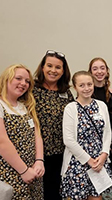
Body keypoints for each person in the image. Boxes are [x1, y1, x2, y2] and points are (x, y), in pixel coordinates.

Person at [61, 71, 112, 199]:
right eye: (82, 85)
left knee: (96, 197)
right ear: (75, 87)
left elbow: (107, 132)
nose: (86, 88)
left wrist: (104, 154)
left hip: (98, 161)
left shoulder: (101, 106)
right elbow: (68, 140)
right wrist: (89, 161)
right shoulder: (70, 108)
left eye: (89, 84)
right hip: (78, 162)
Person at [33, 50, 74, 199]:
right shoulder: (31, 89)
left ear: (63, 71)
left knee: (55, 192)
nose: (53, 70)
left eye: (58, 67)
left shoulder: (66, 93)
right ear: (43, 67)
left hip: (60, 153)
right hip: (36, 153)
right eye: (49, 66)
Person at [0, 64, 44, 199]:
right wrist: (24, 171)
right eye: (18, 78)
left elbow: (37, 136)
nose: (23, 83)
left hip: (33, 173)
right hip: (11, 173)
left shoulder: (25, 107)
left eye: (27, 81)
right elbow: (2, 142)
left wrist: (39, 161)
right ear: (6, 79)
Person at [88, 57, 112, 175]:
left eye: (102, 68)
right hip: (92, 138)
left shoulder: (111, 93)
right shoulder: (88, 92)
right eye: (95, 69)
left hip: (108, 137)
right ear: (90, 72)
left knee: (108, 173)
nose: (99, 72)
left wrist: (111, 141)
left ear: (107, 71)